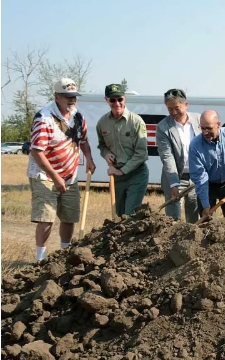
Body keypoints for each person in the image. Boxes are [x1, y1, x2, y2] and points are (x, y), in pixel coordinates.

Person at [26, 78, 96, 261]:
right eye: (67, 97)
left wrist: (89, 158)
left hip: (69, 175)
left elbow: (84, 140)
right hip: (44, 174)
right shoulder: (44, 118)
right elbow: (36, 152)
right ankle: (40, 259)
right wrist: (55, 177)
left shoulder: (78, 117)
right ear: (57, 97)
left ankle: (64, 255)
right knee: (46, 217)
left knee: (69, 215)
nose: (72, 100)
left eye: (74, 97)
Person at [97, 83, 149, 217]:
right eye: (112, 100)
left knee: (130, 214)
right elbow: (102, 145)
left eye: (119, 99)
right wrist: (106, 153)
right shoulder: (102, 122)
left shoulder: (136, 121)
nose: (117, 103)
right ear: (106, 100)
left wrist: (122, 171)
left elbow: (141, 153)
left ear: (124, 98)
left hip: (136, 173)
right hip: (117, 177)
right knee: (119, 216)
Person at [156, 89, 202, 223]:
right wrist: (174, 183)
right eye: (170, 109)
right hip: (175, 177)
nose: (174, 113)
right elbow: (167, 156)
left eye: (177, 108)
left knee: (195, 218)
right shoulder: (163, 127)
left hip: (197, 176)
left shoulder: (199, 120)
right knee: (172, 219)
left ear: (186, 104)